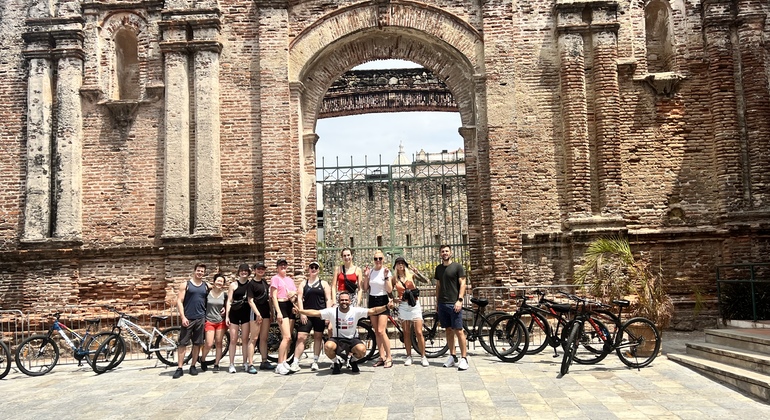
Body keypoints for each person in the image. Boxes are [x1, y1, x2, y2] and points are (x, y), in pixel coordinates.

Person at [294, 291, 393, 374]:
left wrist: (386, 307)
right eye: (342, 300)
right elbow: (316, 313)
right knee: (328, 346)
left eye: (346, 300)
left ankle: (353, 361)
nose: (344, 302)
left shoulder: (355, 311)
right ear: (338, 301)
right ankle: (336, 363)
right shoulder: (332, 311)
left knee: (362, 350)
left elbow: (373, 310)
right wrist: (300, 311)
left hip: (352, 339)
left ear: (350, 301)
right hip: (337, 339)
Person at [434, 244, 469, 371]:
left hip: (454, 303)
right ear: (440, 254)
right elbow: (438, 285)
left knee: (459, 330)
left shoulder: (457, 267)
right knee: (448, 330)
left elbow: (463, 283)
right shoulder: (438, 269)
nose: (445, 253)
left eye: (447, 251)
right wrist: (437, 302)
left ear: (451, 253)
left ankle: (464, 358)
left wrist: (460, 300)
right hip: (443, 304)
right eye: (442, 251)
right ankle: (452, 356)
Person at [292, 261, 332, 372]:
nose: (313, 269)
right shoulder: (303, 283)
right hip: (308, 314)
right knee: (301, 337)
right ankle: (295, 361)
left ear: (318, 270)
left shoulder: (323, 283)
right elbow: (299, 298)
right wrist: (302, 312)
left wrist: (327, 314)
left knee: (318, 336)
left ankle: (315, 361)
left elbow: (328, 299)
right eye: (311, 267)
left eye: (315, 267)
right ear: (308, 269)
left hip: (320, 314)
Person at [391, 256, 429, 367]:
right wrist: (394, 299)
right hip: (403, 306)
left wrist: (418, 272)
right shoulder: (394, 279)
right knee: (406, 333)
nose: (400, 265)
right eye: (398, 263)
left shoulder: (411, 275)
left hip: (414, 305)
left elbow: (426, 281)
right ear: (396, 266)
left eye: (402, 263)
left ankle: (423, 356)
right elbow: (388, 290)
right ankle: (409, 356)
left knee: (418, 332)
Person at [173, 263, 208, 379]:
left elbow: (215, 296)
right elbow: (179, 301)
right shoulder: (186, 284)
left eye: (202, 271)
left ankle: (193, 365)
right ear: (194, 271)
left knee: (197, 343)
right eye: (198, 270)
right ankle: (180, 367)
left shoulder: (206, 286)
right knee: (183, 343)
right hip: (188, 318)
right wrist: (183, 317)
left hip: (200, 318)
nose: (200, 273)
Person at [363, 250, 393, 368]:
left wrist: (386, 277)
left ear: (383, 259)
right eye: (376, 259)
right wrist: (366, 276)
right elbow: (365, 288)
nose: (378, 261)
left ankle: (389, 357)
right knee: (376, 331)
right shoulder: (370, 271)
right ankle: (381, 356)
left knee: (381, 330)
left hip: (382, 300)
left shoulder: (386, 271)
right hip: (372, 300)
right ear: (373, 260)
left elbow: (389, 289)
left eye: (380, 258)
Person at [271, 258, 297, 375]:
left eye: (284, 265)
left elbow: (294, 295)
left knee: (289, 338)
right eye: (281, 265)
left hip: (289, 305)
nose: (283, 267)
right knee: (286, 337)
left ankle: (284, 360)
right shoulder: (275, 279)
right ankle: (279, 364)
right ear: (277, 267)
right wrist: (278, 312)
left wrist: (294, 297)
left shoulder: (289, 280)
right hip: (281, 305)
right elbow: (273, 297)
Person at [247, 261, 275, 371]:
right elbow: (250, 300)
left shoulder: (264, 282)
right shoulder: (251, 284)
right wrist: (257, 313)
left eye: (262, 269)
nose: (261, 270)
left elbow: (268, 299)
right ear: (254, 270)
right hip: (255, 313)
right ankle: (250, 364)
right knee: (254, 338)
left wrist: (271, 312)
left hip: (265, 312)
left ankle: (264, 361)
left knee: (264, 338)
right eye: (259, 268)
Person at [226, 263, 253, 373]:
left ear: (248, 272)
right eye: (242, 270)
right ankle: (231, 363)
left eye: (246, 270)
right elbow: (229, 301)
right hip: (234, 313)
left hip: (246, 313)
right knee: (233, 339)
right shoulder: (233, 285)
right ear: (239, 272)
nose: (244, 272)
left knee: (245, 339)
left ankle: (245, 362)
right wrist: (227, 316)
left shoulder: (250, 285)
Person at [200, 272, 227, 372]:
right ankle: (202, 359)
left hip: (220, 321)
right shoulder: (207, 293)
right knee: (209, 343)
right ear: (214, 281)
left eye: (221, 281)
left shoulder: (224, 295)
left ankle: (216, 363)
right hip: (209, 321)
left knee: (219, 343)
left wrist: (224, 308)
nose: (219, 283)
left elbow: (227, 305)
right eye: (218, 280)